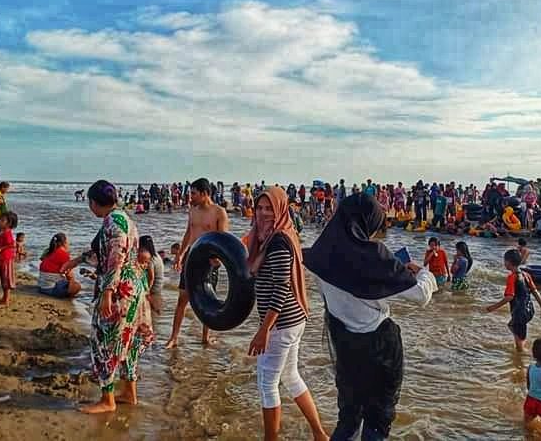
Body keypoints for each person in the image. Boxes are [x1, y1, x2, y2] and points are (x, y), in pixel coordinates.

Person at [305, 193, 435, 440]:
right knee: (377, 420)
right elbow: (421, 295)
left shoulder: (321, 253)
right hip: (380, 350)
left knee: (349, 416)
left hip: (344, 345)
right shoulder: (376, 257)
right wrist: (423, 272)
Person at [245, 187, 328, 441]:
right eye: (259, 207)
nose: (263, 213)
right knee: (291, 377)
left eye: (269, 208)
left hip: (281, 322)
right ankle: (319, 435)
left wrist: (264, 330)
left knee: (267, 384)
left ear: (280, 209)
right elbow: (245, 253)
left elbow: (282, 288)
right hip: (292, 321)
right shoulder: (270, 237)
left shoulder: (279, 241)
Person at [80, 180, 154, 414]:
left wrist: (108, 293)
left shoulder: (114, 222)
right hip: (135, 288)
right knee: (128, 342)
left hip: (121, 291)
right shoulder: (123, 218)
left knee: (105, 341)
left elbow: (116, 257)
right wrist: (75, 261)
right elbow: (104, 254)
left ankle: (107, 400)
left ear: (93, 202)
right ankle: (129, 393)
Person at [166, 178, 229, 349]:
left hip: (209, 260)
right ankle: (174, 337)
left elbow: (223, 239)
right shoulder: (192, 210)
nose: (190, 197)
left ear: (204, 193)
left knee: (207, 301)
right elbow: (189, 233)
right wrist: (180, 254)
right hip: (192, 258)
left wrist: (218, 259)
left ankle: (205, 337)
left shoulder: (219, 212)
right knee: (182, 299)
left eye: (193, 193)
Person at [485, 249, 541, 351]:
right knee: (512, 326)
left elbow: (509, 297)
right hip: (529, 310)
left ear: (508, 262)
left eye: (504, 261)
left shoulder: (512, 277)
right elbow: (535, 291)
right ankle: (522, 345)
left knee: (518, 340)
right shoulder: (526, 275)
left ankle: (521, 356)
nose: (504, 263)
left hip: (519, 312)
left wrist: (493, 307)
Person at [38, 233, 82, 298]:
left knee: (63, 280)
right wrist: (72, 284)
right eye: (67, 242)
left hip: (42, 287)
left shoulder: (48, 251)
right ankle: (68, 296)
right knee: (77, 286)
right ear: (64, 243)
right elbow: (69, 275)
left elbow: (44, 262)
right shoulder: (63, 254)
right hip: (51, 289)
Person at [0, 211, 18, 306]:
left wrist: (0, 249)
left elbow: (11, 244)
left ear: (9, 223)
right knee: (3, 277)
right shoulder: (3, 232)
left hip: (6, 258)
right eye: (0, 219)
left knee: (6, 278)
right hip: (3, 257)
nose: (0, 221)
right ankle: (4, 298)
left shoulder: (7, 233)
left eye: (2, 220)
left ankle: (6, 299)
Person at [140, 235, 164, 315]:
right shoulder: (156, 255)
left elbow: (151, 277)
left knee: (152, 310)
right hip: (159, 285)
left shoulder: (150, 258)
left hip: (154, 287)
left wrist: (147, 291)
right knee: (156, 310)